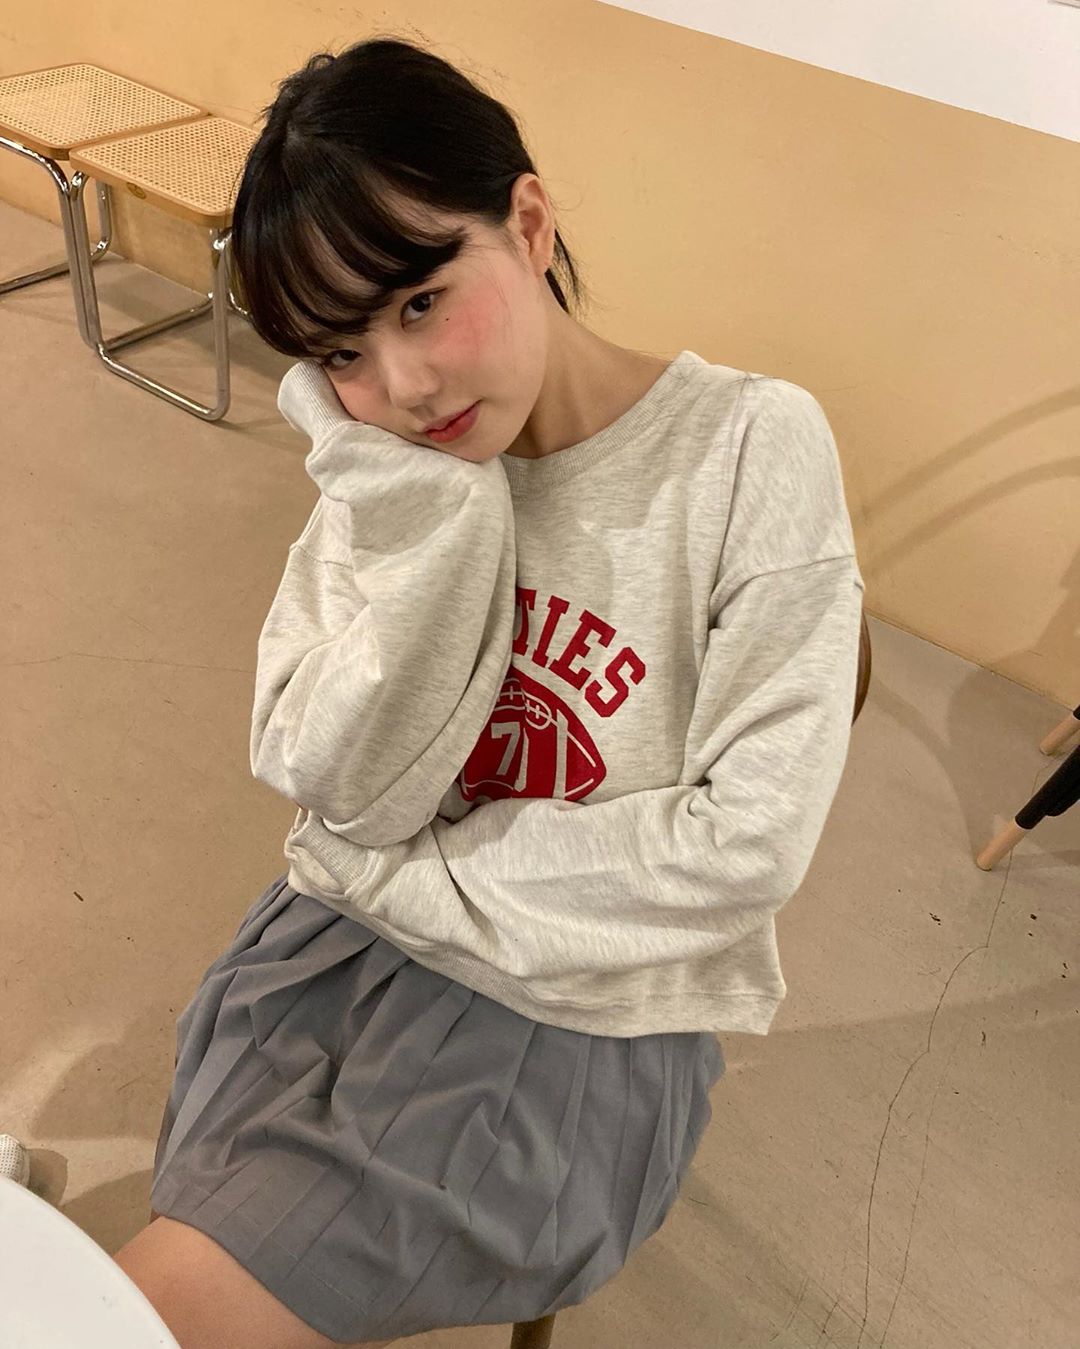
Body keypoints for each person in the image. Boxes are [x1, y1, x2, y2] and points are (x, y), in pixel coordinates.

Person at [111, 34, 865, 1349]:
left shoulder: (749, 449)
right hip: (340, 955)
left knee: (159, 1311)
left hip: (580, 1018)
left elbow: (742, 848)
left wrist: (400, 879)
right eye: (339, 355)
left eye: (418, 301)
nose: (401, 388)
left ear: (526, 221)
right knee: (168, 1257)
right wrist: (429, 514)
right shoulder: (399, 471)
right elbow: (333, 776)